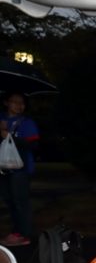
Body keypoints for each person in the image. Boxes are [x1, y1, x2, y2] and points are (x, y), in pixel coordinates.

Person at [0, 92, 40, 246]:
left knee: (20, 201)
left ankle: (23, 234)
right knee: (9, 200)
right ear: (6, 103)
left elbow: (33, 145)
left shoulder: (26, 123)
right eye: (15, 101)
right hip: (3, 168)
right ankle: (16, 232)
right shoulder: (2, 120)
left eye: (22, 102)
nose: (19, 105)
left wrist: (10, 137)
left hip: (21, 169)